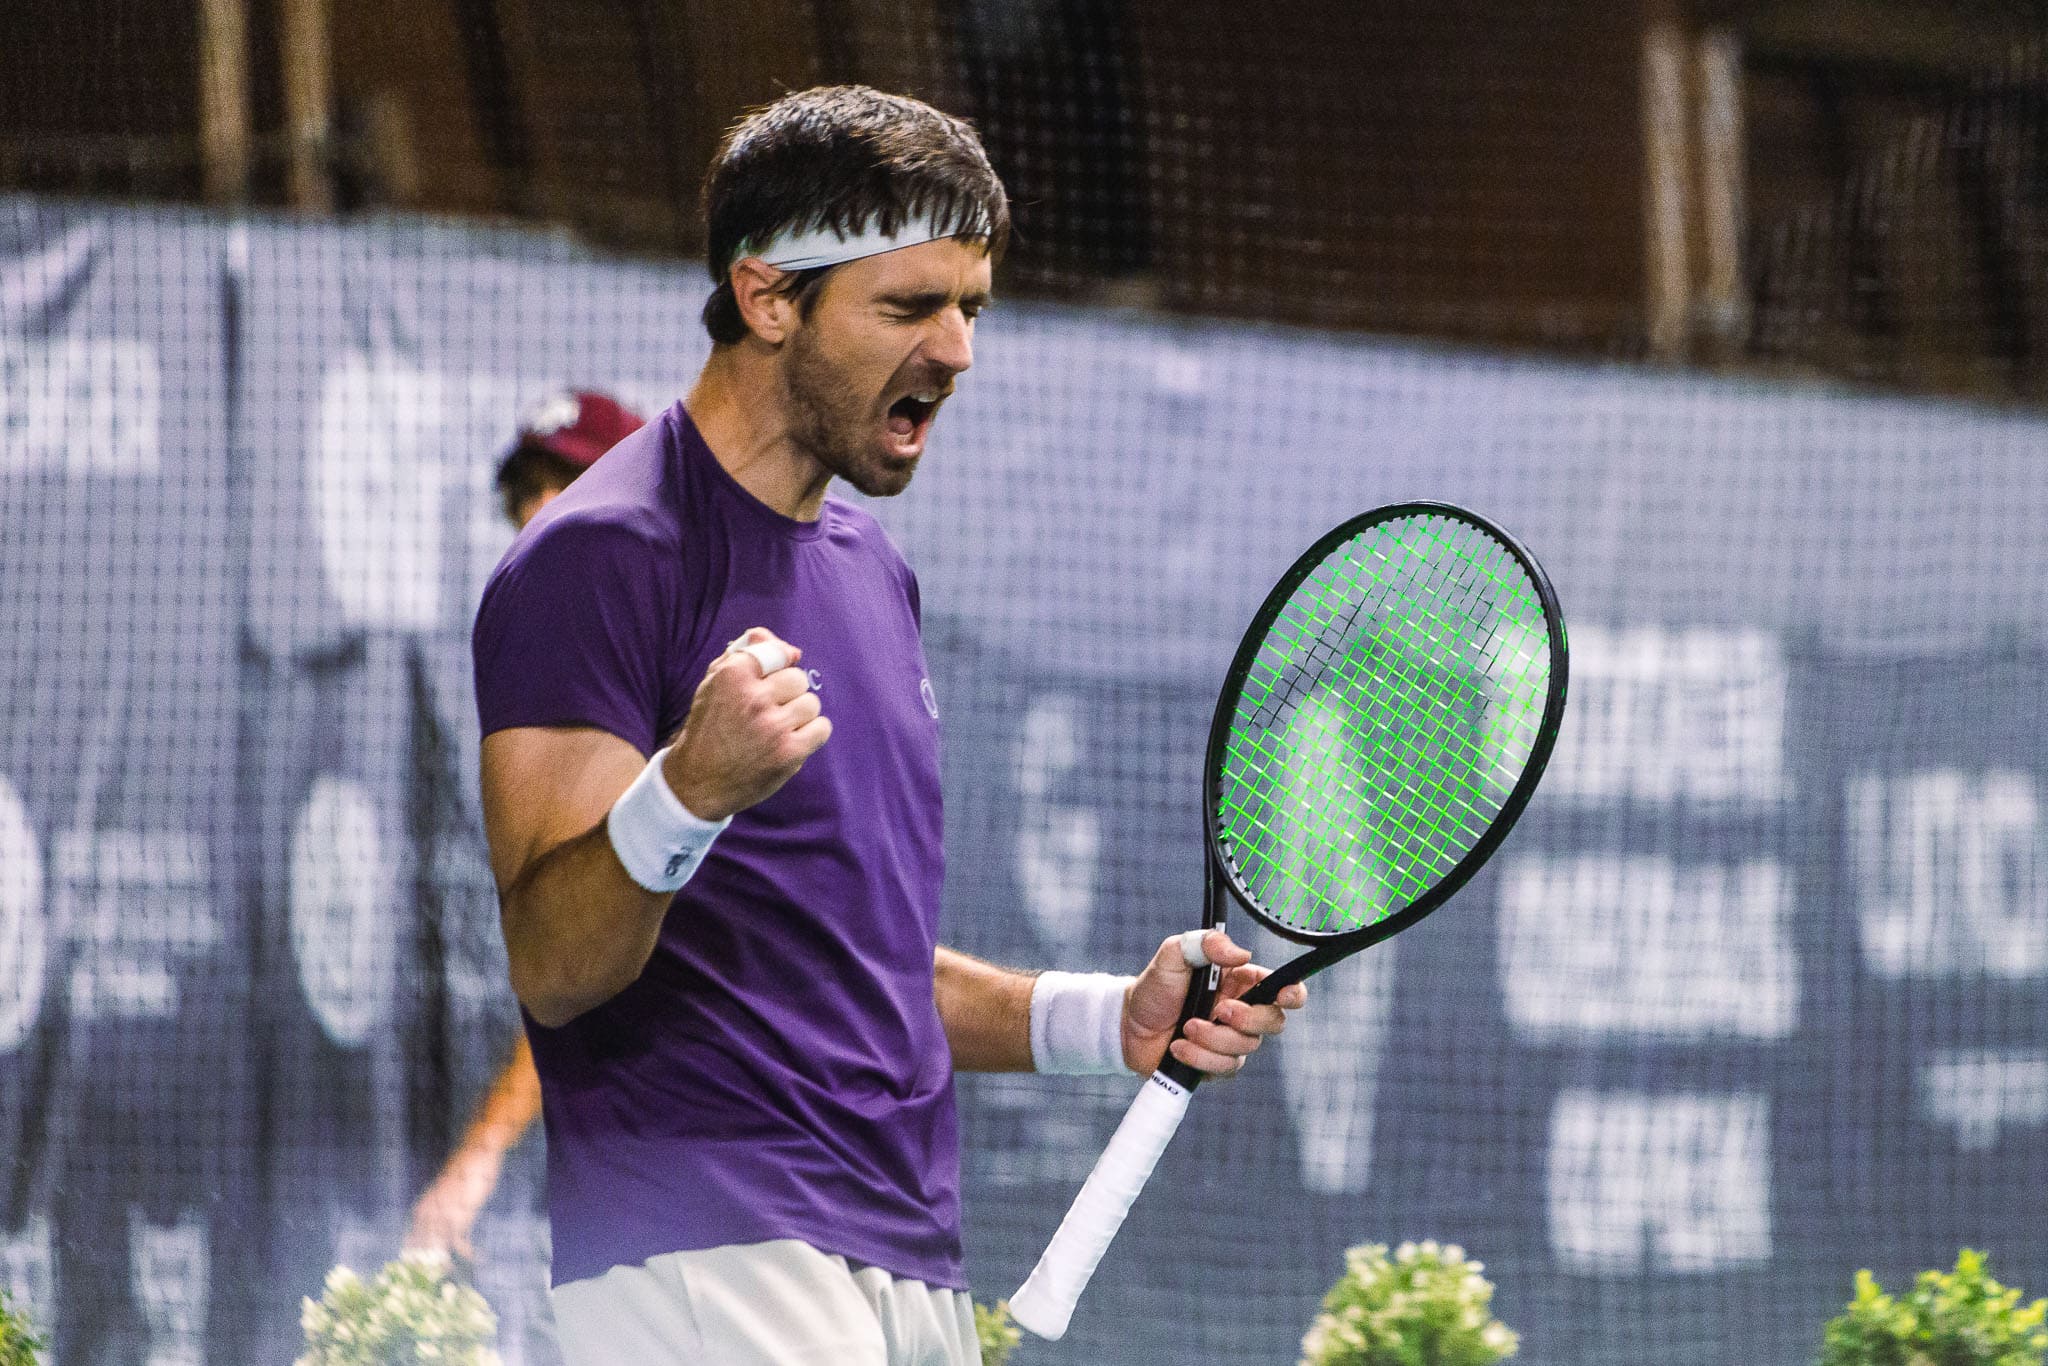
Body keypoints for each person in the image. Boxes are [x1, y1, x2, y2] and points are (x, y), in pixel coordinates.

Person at [470, 85, 1307, 1366]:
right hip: (703, 1248)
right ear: (766, 298)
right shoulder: (597, 556)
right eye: (909, 306)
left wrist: (1103, 1021)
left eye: (969, 305)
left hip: (898, 1250)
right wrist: (686, 791)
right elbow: (553, 964)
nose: (957, 349)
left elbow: (852, 962)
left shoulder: (872, 568)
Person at [405, 390, 645, 1259]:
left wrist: (473, 1161)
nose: (539, 520)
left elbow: (587, 979)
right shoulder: (567, 687)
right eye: (527, 501)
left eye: (570, 488)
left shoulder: (679, 679)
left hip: (752, 1183)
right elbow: (585, 978)